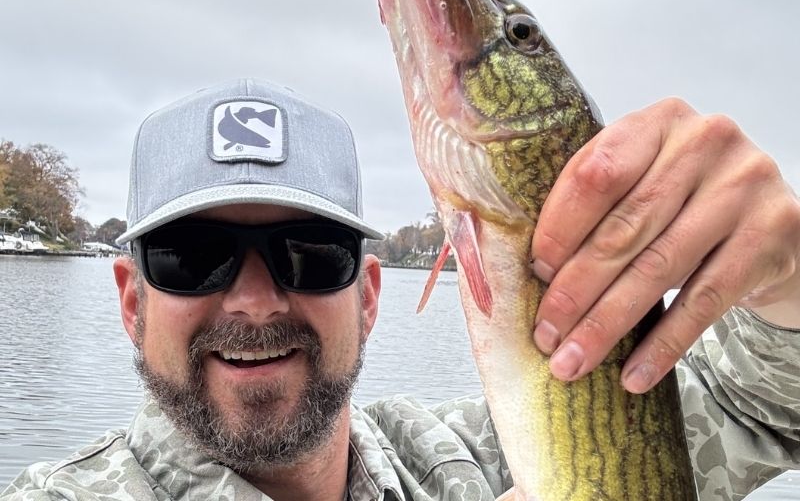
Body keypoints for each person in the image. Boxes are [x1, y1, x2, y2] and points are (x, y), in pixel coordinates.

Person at [2, 78, 798, 501]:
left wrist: (786, 275)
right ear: (132, 300)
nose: (253, 299)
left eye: (308, 253)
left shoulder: (469, 462)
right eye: (191, 254)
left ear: (370, 296)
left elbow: (763, 404)